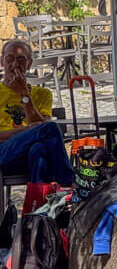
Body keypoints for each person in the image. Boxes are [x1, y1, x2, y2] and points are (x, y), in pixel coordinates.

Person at [0, 39, 73, 185]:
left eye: (21, 60)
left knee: (39, 150)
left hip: (28, 155)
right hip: (4, 153)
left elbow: (44, 132)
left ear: (29, 64)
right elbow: (43, 129)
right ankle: (69, 184)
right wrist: (26, 131)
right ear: (2, 61)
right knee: (50, 127)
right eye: (10, 58)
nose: (15, 64)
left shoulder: (42, 94)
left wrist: (24, 95)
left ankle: (38, 204)